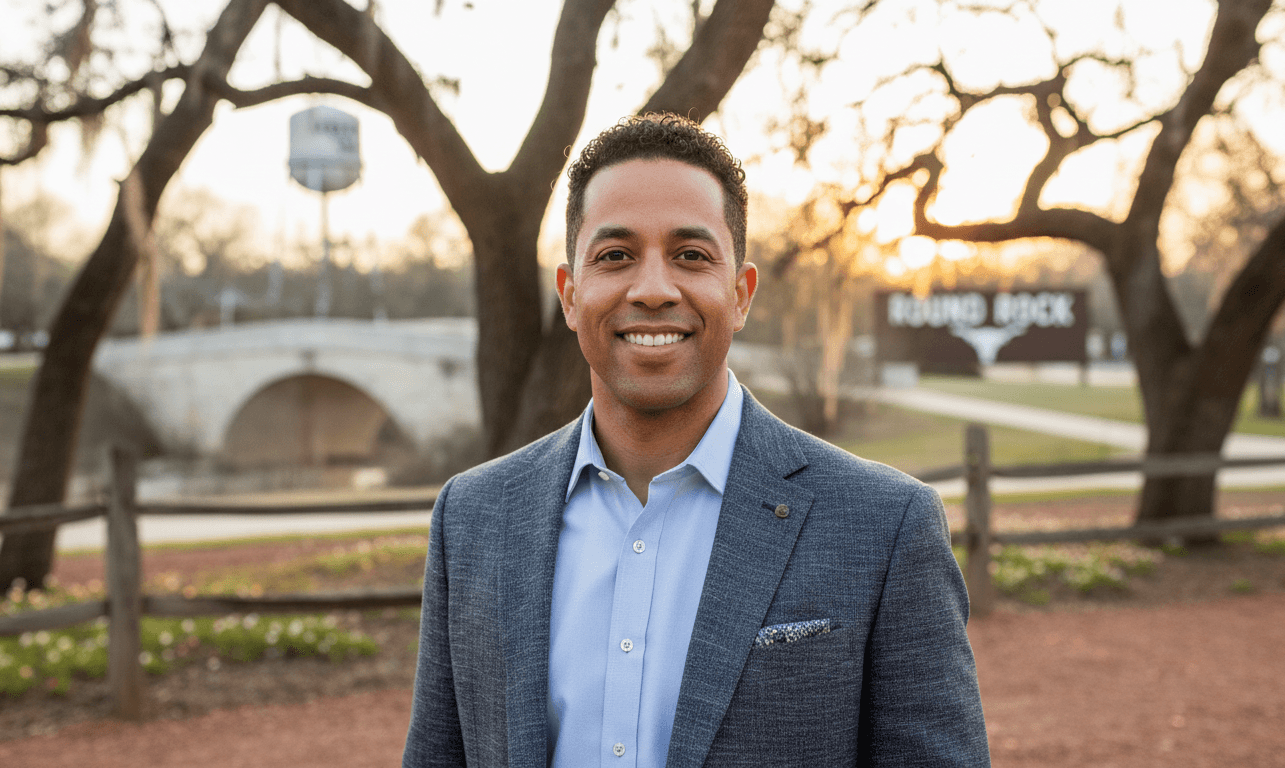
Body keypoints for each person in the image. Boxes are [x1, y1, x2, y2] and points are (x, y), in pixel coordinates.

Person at [402, 113, 990, 767]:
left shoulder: (885, 526)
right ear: (570, 295)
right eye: (615, 256)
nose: (653, 289)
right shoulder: (473, 517)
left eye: (691, 256)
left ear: (740, 294)